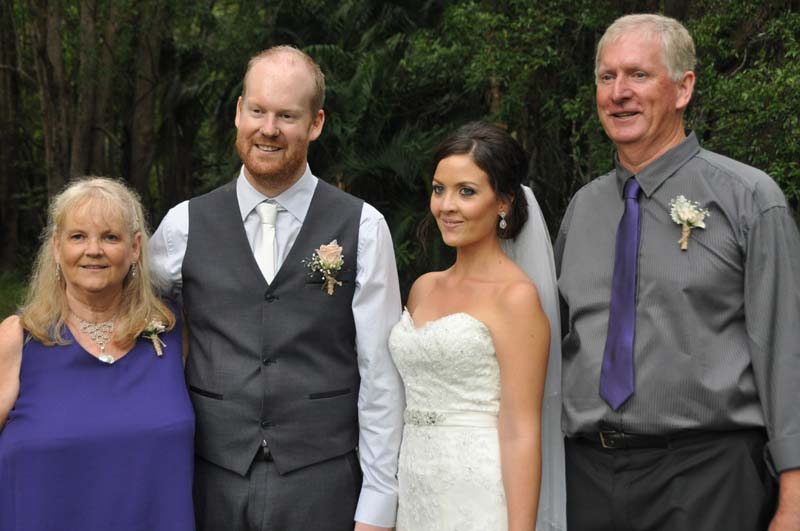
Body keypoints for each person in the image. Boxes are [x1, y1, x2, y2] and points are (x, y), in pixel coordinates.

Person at [555, 13, 800, 531]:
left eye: (638, 75)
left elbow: (786, 350)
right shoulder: (583, 209)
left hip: (708, 476)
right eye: (607, 77)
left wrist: (795, 497)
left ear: (683, 88)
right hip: (588, 477)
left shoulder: (749, 200)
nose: (619, 93)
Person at [150, 45, 404, 531]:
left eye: (287, 115)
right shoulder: (183, 225)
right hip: (210, 482)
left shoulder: (364, 227)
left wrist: (377, 503)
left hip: (322, 483)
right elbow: (129, 319)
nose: (268, 129)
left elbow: (380, 374)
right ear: (238, 112)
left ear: (316, 123)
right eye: (258, 110)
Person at [389, 121, 566, 531]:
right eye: (439, 189)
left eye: (466, 191)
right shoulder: (422, 288)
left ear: (503, 202)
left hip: (478, 492)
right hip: (415, 487)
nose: (446, 206)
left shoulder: (515, 298)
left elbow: (521, 430)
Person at [0, 177, 194, 531]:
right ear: (56, 247)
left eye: (110, 237)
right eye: (78, 237)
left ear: (135, 248)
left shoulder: (172, 330)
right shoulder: (17, 340)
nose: (94, 250)